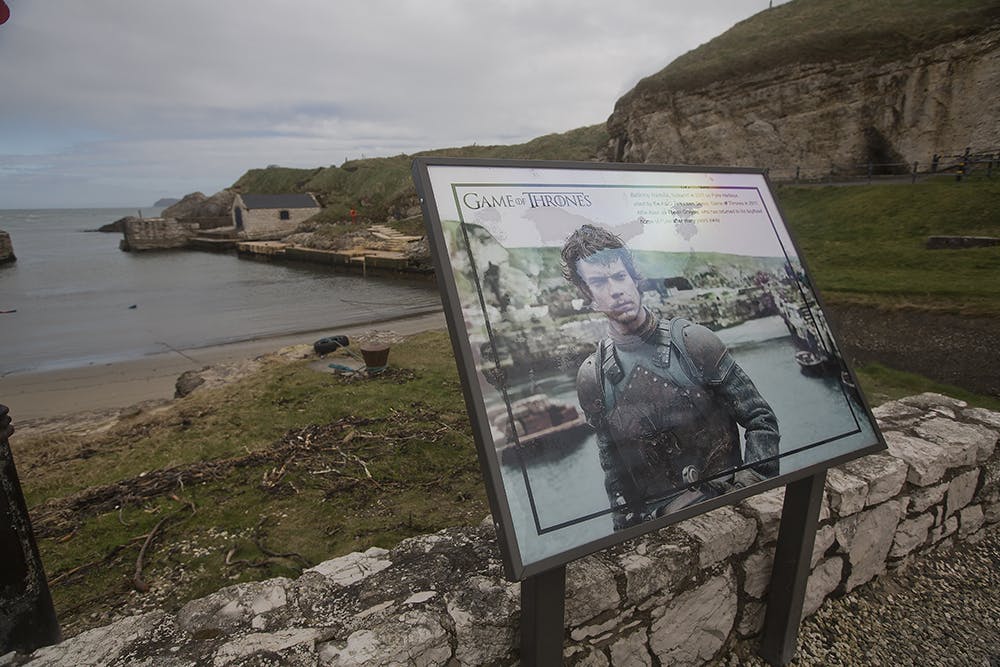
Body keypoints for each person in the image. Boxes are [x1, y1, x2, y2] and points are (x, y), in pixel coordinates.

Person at [560, 224, 779, 530]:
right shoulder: (592, 377)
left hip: (731, 512)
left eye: (620, 276)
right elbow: (615, 470)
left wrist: (748, 487)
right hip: (661, 529)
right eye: (599, 282)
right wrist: (627, 533)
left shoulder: (693, 343)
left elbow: (760, 419)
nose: (615, 290)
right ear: (587, 292)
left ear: (634, 277)